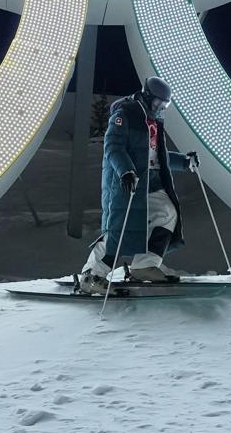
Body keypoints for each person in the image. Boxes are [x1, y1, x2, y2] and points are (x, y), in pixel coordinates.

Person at [76, 76, 199, 294]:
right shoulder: (126, 113)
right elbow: (113, 147)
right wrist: (126, 170)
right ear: (147, 97)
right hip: (127, 182)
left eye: (165, 105)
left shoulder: (153, 121)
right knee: (120, 229)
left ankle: (144, 266)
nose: (160, 108)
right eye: (158, 103)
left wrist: (184, 161)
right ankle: (91, 275)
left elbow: (156, 156)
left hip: (150, 182)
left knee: (167, 212)